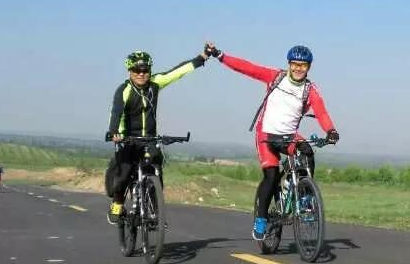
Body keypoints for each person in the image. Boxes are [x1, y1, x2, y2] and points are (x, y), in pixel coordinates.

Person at [204, 42, 339, 240]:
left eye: (303, 65)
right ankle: (261, 219)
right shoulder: (275, 77)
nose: (298, 68)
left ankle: (305, 199)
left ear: (309, 67)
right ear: (289, 64)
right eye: (295, 64)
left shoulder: (310, 90)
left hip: (290, 136)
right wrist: (220, 55)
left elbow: (321, 112)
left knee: (307, 152)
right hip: (266, 135)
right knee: (272, 177)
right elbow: (247, 68)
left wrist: (331, 131)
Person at [106, 49, 209, 224]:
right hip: (127, 138)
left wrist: (201, 58)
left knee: (156, 168)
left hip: (149, 138)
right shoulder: (124, 90)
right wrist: (114, 131)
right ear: (130, 71)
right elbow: (116, 112)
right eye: (136, 70)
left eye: (145, 70)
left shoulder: (155, 83)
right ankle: (117, 204)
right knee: (124, 174)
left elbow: (177, 72)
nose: (141, 74)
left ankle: (154, 210)